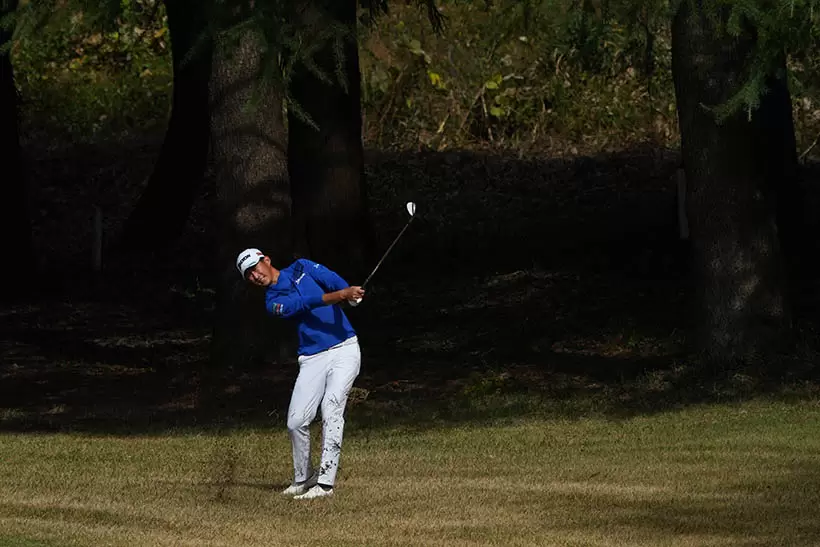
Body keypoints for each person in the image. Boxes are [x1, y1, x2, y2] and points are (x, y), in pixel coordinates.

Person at [236, 248, 365, 500]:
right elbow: (304, 303)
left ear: (266, 260)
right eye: (248, 275)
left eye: (255, 268)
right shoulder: (272, 303)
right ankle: (303, 477)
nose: (255, 276)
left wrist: (349, 293)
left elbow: (331, 278)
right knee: (295, 422)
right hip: (311, 357)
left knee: (331, 409)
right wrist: (341, 295)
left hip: (345, 349)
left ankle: (325, 484)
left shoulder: (301, 267)